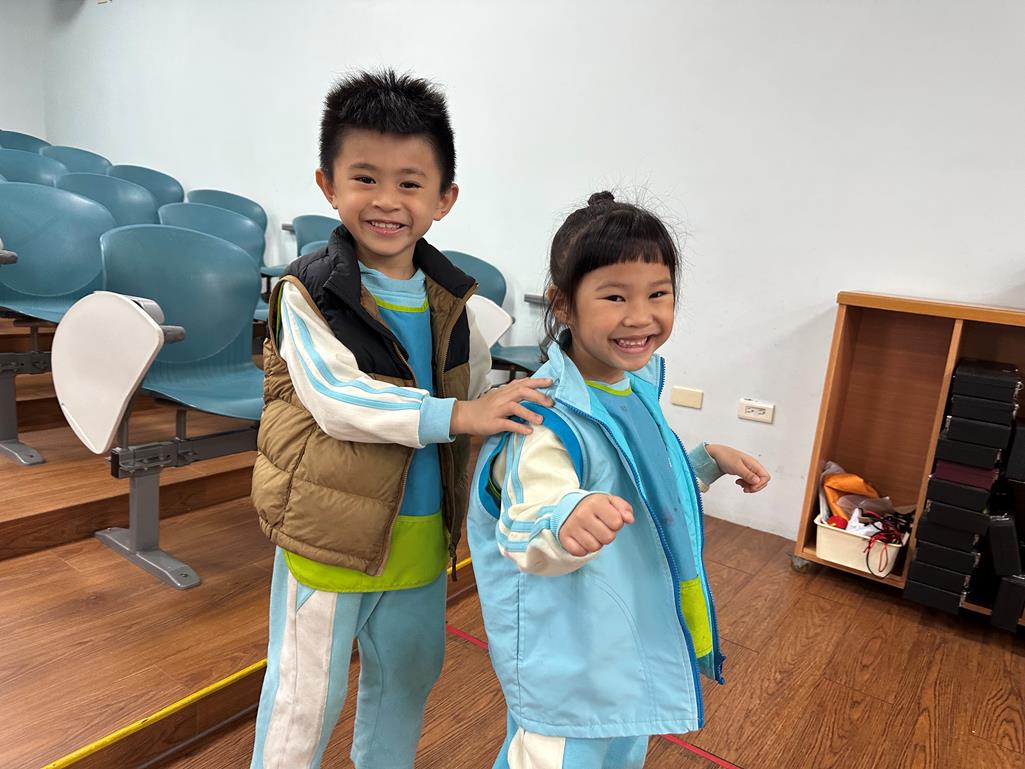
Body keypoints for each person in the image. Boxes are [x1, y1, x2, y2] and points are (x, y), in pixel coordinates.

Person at [249, 69, 552, 769]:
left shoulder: (458, 305)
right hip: (329, 536)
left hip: (420, 538)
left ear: (444, 198)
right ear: (327, 185)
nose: (387, 200)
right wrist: (462, 414)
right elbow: (337, 398)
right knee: (305, 697)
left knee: (407, 679)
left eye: (410, 183)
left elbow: (480, 409)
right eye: (365, 178)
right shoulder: (306, 291)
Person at [467, 191, 771, 769]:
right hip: (574, 664)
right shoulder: (546, 417)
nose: (640, 316)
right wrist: (565, 519)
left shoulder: (635, 386)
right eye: (614, 296)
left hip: (630, 647)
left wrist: (704, 462)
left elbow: (642, 489)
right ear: (563, 304)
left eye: (658, 294)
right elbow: (523, 528)